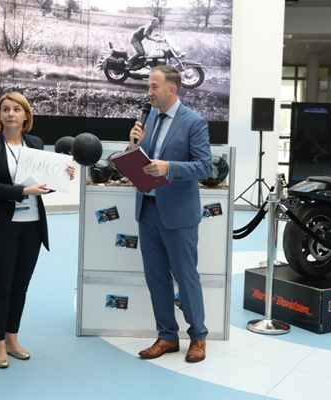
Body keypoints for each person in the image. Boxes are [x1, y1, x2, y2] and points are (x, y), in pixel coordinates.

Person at [0, 92, 75, 369]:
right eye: (5, 109)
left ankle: (12, 338)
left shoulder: (35, 143)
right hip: (0, 228)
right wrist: (22, 191)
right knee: (0, 286)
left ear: (26, 116)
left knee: (20, 286)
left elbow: (42, 187)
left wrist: (62, 178)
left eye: (16, 109)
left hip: (32, 227)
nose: (10, 114)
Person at [128, 65, 212, 363]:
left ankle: (198, 336)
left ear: (171, 89)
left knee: (186, 278)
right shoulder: (150, 117)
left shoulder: (194, 122)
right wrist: (133, 145)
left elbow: (205, 166)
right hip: (147, 210)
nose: (149, 92)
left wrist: (169, 168)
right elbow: (142, 160)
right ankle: (167, 336)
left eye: (154, 86)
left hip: (178, 215)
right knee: (156, 278)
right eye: (149, 87)